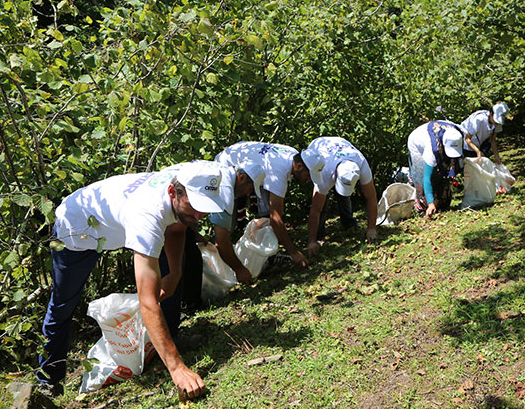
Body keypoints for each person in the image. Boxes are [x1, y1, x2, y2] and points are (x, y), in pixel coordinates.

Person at [38, 160, 226, 401]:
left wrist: (176, 273)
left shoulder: (182, 181)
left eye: (206, 207)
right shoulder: (147, 215)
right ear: (173, 192)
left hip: (108, 223)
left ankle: (169, 341)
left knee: (168, 273)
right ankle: (48, 378)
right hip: (75, 232)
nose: (200, 215)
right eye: (195, 206)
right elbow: (147, 302)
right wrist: (178, 369)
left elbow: (177, 228)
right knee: (62, 305)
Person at [159, 161, 265, 332]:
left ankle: (184, 309)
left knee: (188, 257)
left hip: (170, 215)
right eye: (250, 188)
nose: (248, 193)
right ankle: (171, 324)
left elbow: (187, 212)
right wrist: (239, 270)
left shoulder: (217, 175)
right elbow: (221, 241)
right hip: (158, 219)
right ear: (242, 177)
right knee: (175, 267)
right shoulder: (223, 188)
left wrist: (193, 231)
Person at [214, 142, 325, 268]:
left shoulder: (293, 154)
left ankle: (266, 256)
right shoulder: (278, 172)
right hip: (229, 166)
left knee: (266, 215)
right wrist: (294, 253)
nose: (309, 180)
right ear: (299, 166)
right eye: (309, 175)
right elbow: (276, 219)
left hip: (251, 170)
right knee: (226, 224)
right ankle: (221, 264)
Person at [304, 137, 378, 257]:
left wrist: (371, 228)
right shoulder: (324, 173)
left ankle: (349, 223)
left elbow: (371, 197)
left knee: (344, 196)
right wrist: (311, 241)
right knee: (322, 200)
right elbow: (315, 210)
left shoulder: (361, 164)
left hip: (340, 146)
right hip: (318, 147)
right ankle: (319, 235)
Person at [407, 119, 465, 218]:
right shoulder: (432, 148)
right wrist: (430, 203)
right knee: (421, 177)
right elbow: (427, 177)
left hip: (437, 139)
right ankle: (422, 207)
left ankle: (442, 202)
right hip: (416, 144)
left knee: (443, 172)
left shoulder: (458, 134)